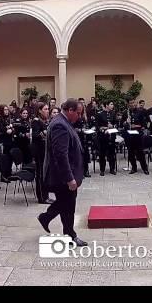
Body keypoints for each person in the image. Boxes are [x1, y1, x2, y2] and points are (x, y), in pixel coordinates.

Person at [38, 99, 88, 247]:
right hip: (62, 176)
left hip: (65, 174)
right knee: (68, 205)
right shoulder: (60, 125)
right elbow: (61, 154)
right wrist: (69, 178)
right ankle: (69, 234)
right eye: (78, 113)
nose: (79, 116)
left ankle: (47, 219)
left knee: (66, 204)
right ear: (70, 110)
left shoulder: (63, 122)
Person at [31, 102, 52, 203]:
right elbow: (34, 135)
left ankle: (46, 195)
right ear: (39, 110)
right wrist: (43, 133)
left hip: (46, 150)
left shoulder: (46, 121)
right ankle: (42, 197)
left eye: (48, 109)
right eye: (45, 109)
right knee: (40, 175)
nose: (47, 111)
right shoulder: (36, 121)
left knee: (46, 174)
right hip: (39, 151)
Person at [95, 101, 117, 176]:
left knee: (112, 153)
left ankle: (112, 169)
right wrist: (104, 128)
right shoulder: (100, 114)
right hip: (103, 136)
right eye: (111, 104)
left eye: (112, 104)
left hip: (111, 136)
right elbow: (97, 126)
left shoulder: (113, 114)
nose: (112, 105)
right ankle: (102, 170)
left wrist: (113, 126)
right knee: (102, 154)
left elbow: (115, 123)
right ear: (106, 105)